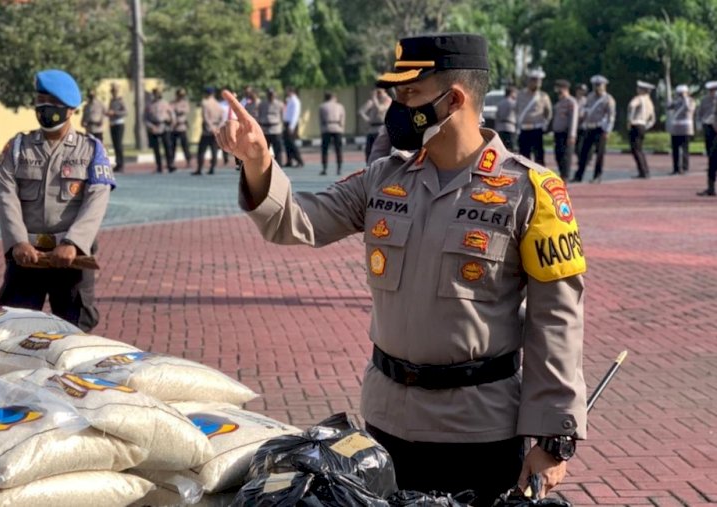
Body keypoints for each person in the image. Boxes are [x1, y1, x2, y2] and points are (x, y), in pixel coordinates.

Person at [218, 33, 586, 507]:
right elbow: (296, 220)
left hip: (480, 430)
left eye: (409, 94)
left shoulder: (530, 191)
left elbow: (557, 320)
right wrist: (257, 161)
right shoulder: (384, 178)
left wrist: (553, 437)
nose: (395, 106)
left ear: (453, 99)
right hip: (387, 422)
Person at [0, 69, 115, 332]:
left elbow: (96, 201)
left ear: (71, 109)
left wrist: (74, 243)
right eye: (41, 101)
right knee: (12, 328)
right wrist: (18, 242)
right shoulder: (17, 148)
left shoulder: (92, 150)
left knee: (75, 328)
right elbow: (6, 197)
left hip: (71, 258)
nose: (46, 108)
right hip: (27, 256)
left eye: (54, 103)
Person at [573, 75, 615, 183]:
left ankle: (597, 175)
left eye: (599, 85)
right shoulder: (590, 97)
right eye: (595, 85)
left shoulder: (608, 99)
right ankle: (579, 175)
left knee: (599, 153)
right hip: (589, 127)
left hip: (601, 128)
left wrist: (608, 130)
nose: (597, 88)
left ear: (604, 86)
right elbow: (585, 111)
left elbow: (611, 116)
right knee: (584, 152)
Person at [515, 69, 552, 164]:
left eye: (539, 81)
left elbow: (548, 112)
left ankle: (540, 176)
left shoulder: (543, 96)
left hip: (537, 129)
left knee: (539, 155)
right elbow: (516, 109)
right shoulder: (521, 94)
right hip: (524, 129)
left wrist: (545, 123)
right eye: (534, 81)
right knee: (523, 156)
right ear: (529, 81)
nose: (537, 83)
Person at [627, 81, 656, 179]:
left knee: (636, 150)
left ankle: (642, 171)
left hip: (636, 124)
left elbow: (631, 105)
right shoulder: (650, 102)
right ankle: (645, 170)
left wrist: (630, 120)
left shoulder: (639, 98)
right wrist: (646, 126)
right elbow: (652, 119)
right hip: (643, 125)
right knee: (640, 149)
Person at [551, 80, 578, 181]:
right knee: (558, 154)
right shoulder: (559, 103)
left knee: (565, 156)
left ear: (565, 89)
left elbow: (573, 119)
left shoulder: (571, 102)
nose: (558, 91)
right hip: (558, 133)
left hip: (566, 133)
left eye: (559, 89)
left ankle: (565, 175)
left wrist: (572, 135)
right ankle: (562, 173)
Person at [193, 86, 224, 176]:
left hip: (207, 130)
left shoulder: (205, 103)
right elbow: (222, 118)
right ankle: (212, 168)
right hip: (216, 129)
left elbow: (205, 117)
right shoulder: (218, 104)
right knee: (214, 150)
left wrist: (211, 128)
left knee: (201, 150)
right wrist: (217, 128)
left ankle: (199, 168)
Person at [145, 88, 176, 173]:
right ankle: (159, 166)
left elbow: (172, 114)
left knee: (167, 147)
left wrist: (172, 123)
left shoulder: (165, 103)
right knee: (156, 148)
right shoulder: (149, 105)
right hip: (154, 126)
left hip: (164, 126)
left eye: (157, 93)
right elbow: (145, 118)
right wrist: (151, 126)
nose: (156, 95)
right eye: (154, 93)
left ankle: (170, 165)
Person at [667, 84, 696, 175]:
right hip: (675, 129)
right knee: (675, 149)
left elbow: (689, 108)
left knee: (685, 149)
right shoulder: (676, 101)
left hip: (686, 129)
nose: (681, 95)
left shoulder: (691, 101)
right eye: (679, 93)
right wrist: (673, 98)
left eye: (682, 93)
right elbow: (668, 107)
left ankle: (684, 167)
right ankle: (676, 168)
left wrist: (685, 98)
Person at [359, 88, 392, 162]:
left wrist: (374, 99)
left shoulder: (387, 100)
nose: (378, 94)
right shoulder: (373, 101)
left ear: (384, 91)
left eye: (379, 92)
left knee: (380, 152)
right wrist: (368, 119)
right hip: (372, 129)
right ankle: (369, 168)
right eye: (377, 92)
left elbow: (380, 109)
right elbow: (361, 111)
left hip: (381, 129)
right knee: (368, 151)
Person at [319, 91, 346, 175]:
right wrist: (342, 128)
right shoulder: (340, 106)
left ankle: (324, 169)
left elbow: (321, 119)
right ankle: (339, 169)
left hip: (327, 128)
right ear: (333, 97)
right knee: (338, 150)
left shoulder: (322, 106)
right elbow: (342, 118)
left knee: (325, 150)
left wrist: (322, 129)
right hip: (337, 127)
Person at [258, 88, 285, 166]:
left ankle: (279, 164)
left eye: (272, 94)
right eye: (269, 94)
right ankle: (264, 164)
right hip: (265, 129)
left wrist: (282, 127)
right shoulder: (262, 104)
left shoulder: (280, 104)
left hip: (275, 129)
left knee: (278, 149)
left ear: (275, 94)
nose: (271, 95)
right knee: (264, 149)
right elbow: (260, 115)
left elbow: (282, 116)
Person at [107, 82, 127, 173]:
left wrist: (115, 113)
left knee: (119, 144)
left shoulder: (120, 100)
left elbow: (125, 112)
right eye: (112, 91)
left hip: (119, 123)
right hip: (112, 123)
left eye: (114, 91)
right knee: (115, 144)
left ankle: (121, 163)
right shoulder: (111, 100)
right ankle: (117, 163)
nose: (113, 92)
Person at [283, 87, 304, 168]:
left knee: (292, 144)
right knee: (287, 143)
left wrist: (291, 126)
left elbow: (295, 114)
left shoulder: (295, 101)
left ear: (291, 91)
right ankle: (289, 160)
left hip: (291, 124)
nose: (286, 93)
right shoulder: (289, 100)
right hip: (287, 123)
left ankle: (299, 160)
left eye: (287, 91)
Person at [170, 88, 192, 170]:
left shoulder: (184, 103)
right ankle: (171, 161)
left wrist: (177, 110)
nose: (181, 97)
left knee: (185, 145)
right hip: (174, 127)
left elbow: (185, 111)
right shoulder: (172, 103)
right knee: (172, 146)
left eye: (182, 96)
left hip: (182, 127)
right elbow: (170, 111)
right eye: (179, 95)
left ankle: (188, 160)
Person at [696, 81, 717, 159]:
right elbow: (699, 113)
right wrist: (698, 125)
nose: (714, 92)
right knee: (709, 145)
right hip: (707, 123)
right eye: (712, 90)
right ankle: (711, 162)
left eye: (715, 90)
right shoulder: (704, 100)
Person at [495, 85, 517, 151]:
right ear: (511, 93)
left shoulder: (500, 103)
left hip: (500, 127)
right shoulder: (513, 103)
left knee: (502, 148)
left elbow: (497, 116)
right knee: (511, 147)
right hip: (510, 127)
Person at [574, 84, 588, 160]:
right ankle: (581, 158)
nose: (581, 92)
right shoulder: (573, 100)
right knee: (576, 145)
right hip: (574, 125)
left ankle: (582, 159)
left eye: (583, 91)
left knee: (582, 144)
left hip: (583, 125)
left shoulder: (586, 101)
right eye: (579, 90)